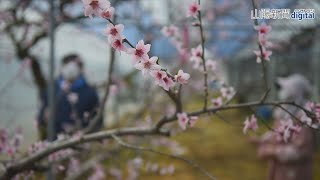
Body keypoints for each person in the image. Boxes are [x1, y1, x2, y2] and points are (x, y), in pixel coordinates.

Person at [252, 74, 316, 180]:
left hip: (295, 171)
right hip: (280, 168)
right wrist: (262, 139)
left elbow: (301, 151)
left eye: (286, 89)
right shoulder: (284, 111)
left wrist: (273, 152)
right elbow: (276, 132)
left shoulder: (304, 118)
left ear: (295, 93)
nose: (282, 92)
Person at [37, 54, 102, 140]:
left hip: (81, 143)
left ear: (81, 68)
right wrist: (44, 118)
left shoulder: (90, 92)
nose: (71, 69)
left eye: (75, 65)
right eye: (67, 64)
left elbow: (98, 121)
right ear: (62, 67)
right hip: (54, 143)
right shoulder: (51, 89)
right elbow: (41, 117)